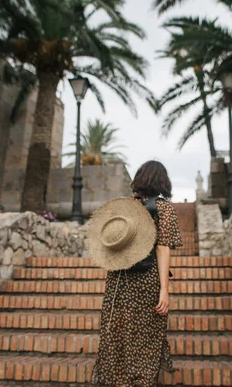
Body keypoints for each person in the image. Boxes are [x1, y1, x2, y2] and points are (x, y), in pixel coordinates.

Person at [89, 160, 183, 386]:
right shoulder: (164, 209)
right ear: (162, 181)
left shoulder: (124, 208)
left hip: (119, 279)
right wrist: (164, 290)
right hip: (148, 280)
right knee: (146, 337)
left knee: (119, 333)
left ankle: (118, 381)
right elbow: (162, 248)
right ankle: (141, 381)